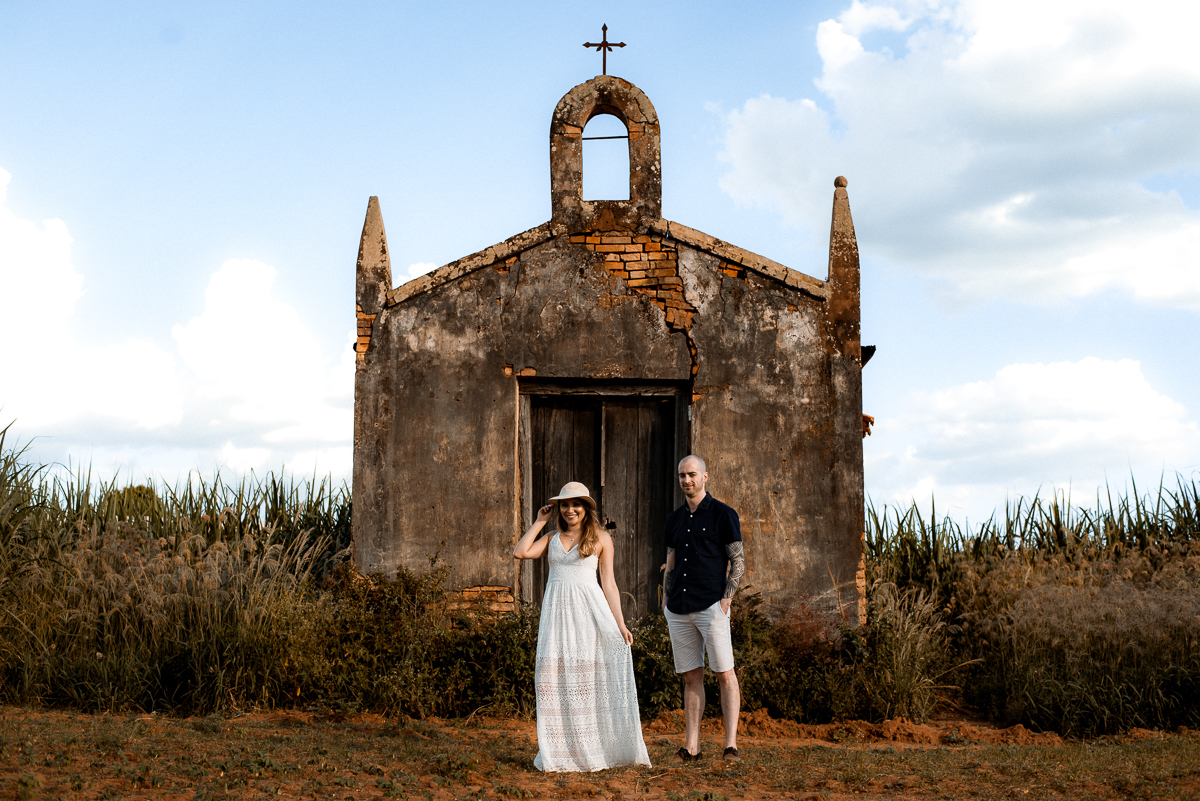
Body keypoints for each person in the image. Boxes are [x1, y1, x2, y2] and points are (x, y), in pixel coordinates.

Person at [513, 481, 651, 772]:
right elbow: (521, 552)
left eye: (576, 504)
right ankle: (560, 750)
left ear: (586, 508)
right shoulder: (551, 536)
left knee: (586, 682)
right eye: (565, 504)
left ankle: (593, 747)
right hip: (557, 617)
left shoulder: (600, 538)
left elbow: (610, 585)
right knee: (553, 680)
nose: (570, 509)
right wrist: (539, 521)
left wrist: (620, 624)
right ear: (559, 508)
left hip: (588, 616)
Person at [662, 455, 745, 763]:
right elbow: (671, 560)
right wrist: (665, 599)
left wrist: (726, 599)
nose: (687, 480)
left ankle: (730, 746)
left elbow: (738, 560)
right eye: (682, 475)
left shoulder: (724, 514)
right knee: (691, 677)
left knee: (725, 673)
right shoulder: (674, 519)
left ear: (705, 477)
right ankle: (692, 748)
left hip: (712, 606)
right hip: (680, 608)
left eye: (692, 474)